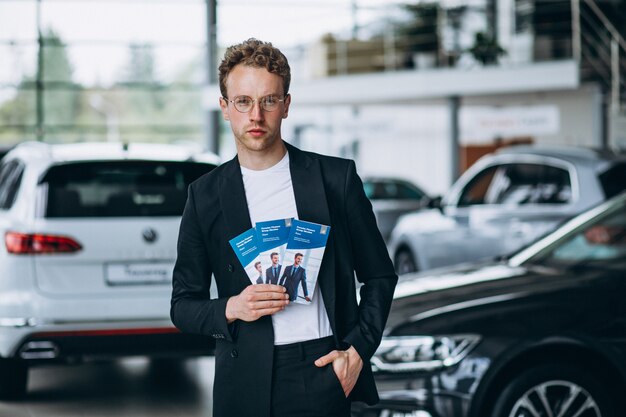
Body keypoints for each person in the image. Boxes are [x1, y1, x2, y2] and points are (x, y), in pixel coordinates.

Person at [170, 38, 398, 417]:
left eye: (269, 100)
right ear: (225, 108)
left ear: (286, 105)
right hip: (243, 374)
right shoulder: (204, 196)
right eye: (243, 101)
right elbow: (182, 306)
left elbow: (380, 277)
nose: (255, 115)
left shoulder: (335, 180)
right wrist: (232, 307)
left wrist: (357, 351)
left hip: (324, 366)